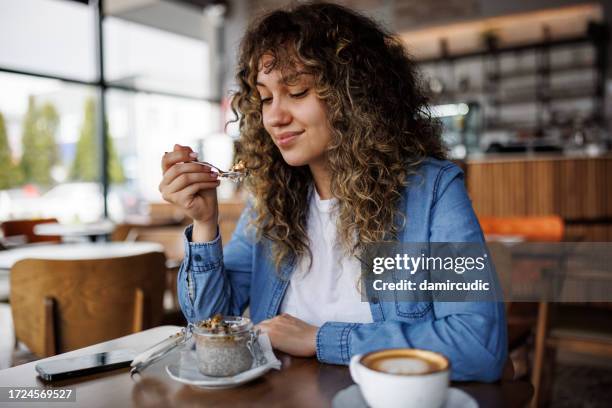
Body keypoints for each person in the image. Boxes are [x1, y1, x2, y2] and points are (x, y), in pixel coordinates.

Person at [159, 2, 507, 382]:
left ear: (355, 96)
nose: (274, 116)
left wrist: (319, 339)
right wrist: (205, 222)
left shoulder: (434, 192)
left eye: (297, 90)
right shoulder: (270, 202)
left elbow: (478, 344)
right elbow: (209, 324)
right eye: (266, 98)